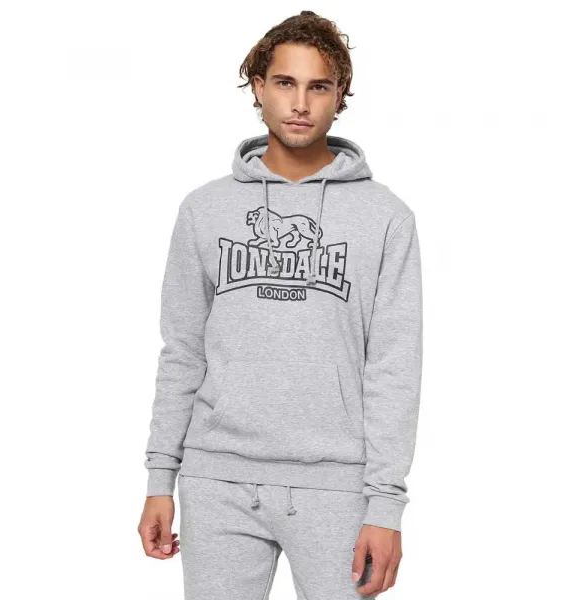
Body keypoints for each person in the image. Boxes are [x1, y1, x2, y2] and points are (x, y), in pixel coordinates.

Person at [137, 10, 423, 600]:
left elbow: (394, 367)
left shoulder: (385, 217)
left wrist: (385, 504)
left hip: (337, 486)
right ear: (259, 87)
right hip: (216, 479)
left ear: (340, 95)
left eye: (318, 86)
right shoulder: (204, 210)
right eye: (285, 83)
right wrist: (160, 477)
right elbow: (182, 352)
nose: (300, 103)